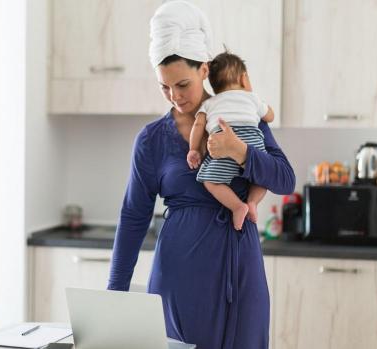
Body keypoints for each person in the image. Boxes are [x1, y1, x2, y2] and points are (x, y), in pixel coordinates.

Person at [108, 1, 295, 348]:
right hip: (179, 278)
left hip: (241, 270)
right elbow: (134, 216)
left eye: (183, 84)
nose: (175, 97)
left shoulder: (241, 114)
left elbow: (284, 179)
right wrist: (114, 294)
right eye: (164, 87)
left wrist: (240, 151)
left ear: (204, 70)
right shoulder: (151, 140)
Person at [187, 50, 275, 231]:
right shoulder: (252, 98)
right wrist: (263, 108)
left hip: (222, 147)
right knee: (262, 177)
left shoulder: (210, 103)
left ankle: (238, 206)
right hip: (252, 144)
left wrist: (193, 149)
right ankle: (252, 202)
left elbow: (198, 125)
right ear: (244, 79)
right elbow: (270, 116)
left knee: (210, 181)